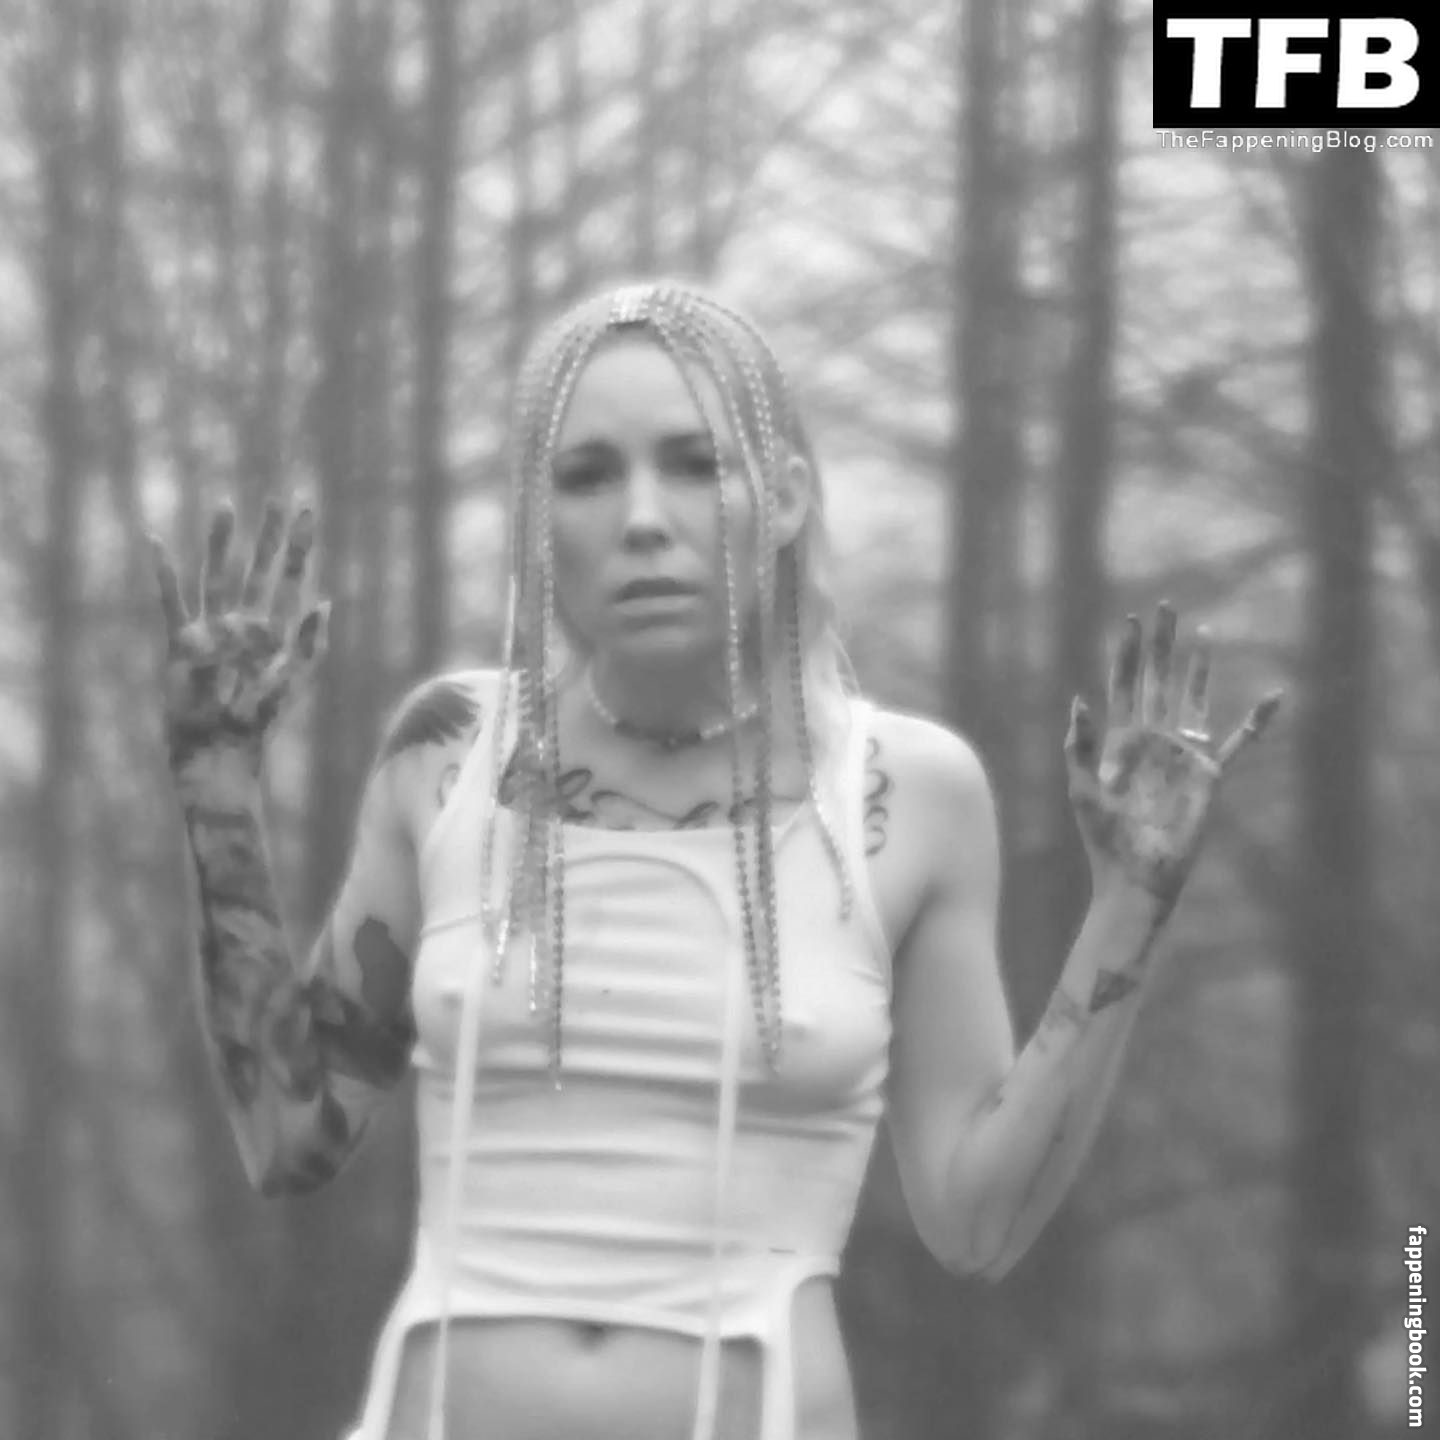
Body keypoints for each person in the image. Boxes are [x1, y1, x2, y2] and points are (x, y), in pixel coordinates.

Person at [150, 280, 1280, 1440]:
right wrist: (217, 788)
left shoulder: (909, 794)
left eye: (696, 463)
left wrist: (1130, 906)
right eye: (588, 475)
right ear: (540, 522)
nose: (644, 518)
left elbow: (975, 1221)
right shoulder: (446, 757)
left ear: (783, 494)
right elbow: (288, 1138)